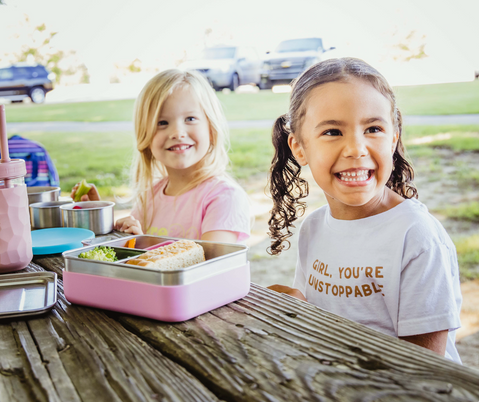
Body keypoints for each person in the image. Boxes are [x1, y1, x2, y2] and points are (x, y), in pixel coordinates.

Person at [266, 57, 462, 363]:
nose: (356, 148)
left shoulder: (417, 237)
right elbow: (319, 314)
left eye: (373, 128)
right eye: (332, 132)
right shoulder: (314, 228)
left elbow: (423, 369)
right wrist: (295, 306)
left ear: (393, 138)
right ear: (299, 148)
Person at [71, 69, 251, 243]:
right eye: (162, 122)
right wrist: (98, 217)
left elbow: (212, 266)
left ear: (211, 129)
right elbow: (131, 249)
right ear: (146, 138)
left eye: (190, 119)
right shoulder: (149, 198)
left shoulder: (224, 197)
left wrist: (144, 246)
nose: (177, 132)